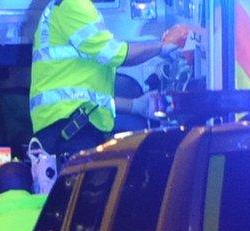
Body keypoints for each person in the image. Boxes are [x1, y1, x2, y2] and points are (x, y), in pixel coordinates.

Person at [29, 0, 187, 159]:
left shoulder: (62, 7)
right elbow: (115, 54)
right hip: (68, 132)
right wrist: (161, 47)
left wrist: (135, 106)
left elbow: (88, 98)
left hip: (64, 130)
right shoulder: (73, 4)